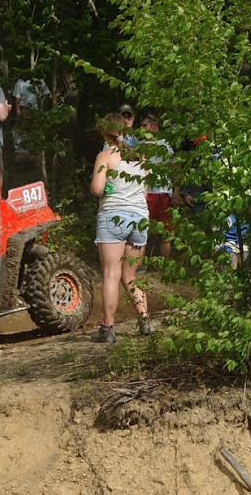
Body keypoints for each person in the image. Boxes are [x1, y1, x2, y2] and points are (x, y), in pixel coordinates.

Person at [89, 112, 153, 343]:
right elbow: (144, 193)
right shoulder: (140, 157)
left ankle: (107, 328)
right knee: (131, 275)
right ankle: (145, 321)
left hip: (113, 216)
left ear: (104, 133)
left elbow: (97, 189)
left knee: (111, 274)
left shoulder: (105, 156)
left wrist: (108, 188)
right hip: (139, 218)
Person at [140, 113, 174, 260]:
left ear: (154, 126)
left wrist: (176, 190)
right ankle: (139, 264)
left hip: (164, 193)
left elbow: (175, 167)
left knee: (167, 232)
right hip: (146, 193)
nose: (142, 128)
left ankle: (166, 264)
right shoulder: (140, 145)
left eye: (144, 125)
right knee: (141, 231)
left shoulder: (165, 145)